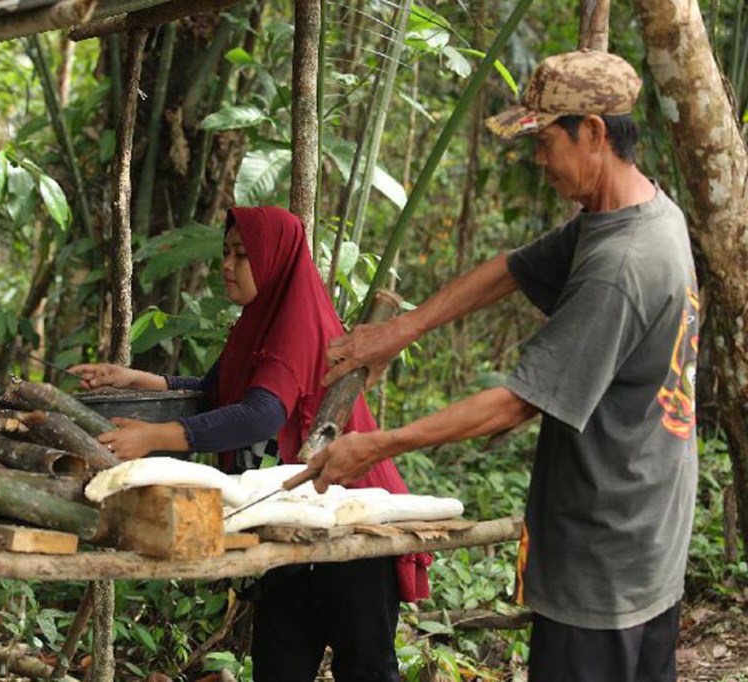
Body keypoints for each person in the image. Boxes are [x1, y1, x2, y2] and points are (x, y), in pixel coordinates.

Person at [309, 49, 698, 682]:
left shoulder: (621, 265)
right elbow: (515, 268)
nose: (538, 160)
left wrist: (377, 444)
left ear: (594, 133)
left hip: (606, 551)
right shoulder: (634, 213)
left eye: (545, 141)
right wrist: (397, 333)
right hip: (642, 528)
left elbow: (519, 401)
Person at [70, 206, 429, 682]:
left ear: (275, 258)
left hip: (352, 520)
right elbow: (220, 392)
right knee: (279, 665)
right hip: (291, 514)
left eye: (242, 254)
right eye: (225, 252)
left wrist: (154, 438)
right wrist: (136, 378)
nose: (226, 265)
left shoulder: (297, 325)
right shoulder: (256, 323)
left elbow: (263, 412)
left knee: (365, 666)